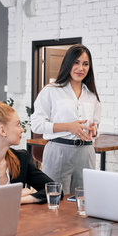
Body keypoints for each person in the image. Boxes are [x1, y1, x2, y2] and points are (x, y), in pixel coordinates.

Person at [31, 44, 101, 194]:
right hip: (58, 151)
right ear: (67, 63)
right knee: (56, 199)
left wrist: (94, 131)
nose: (80, 68)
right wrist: (68, 127)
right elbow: (36, 125)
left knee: (84, 200)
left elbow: (96, 125)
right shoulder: (51, 91)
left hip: (86, 153)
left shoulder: (92, 95)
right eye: (76, 62)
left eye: (85, 64)